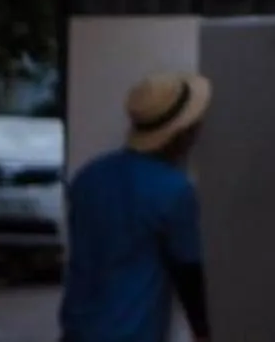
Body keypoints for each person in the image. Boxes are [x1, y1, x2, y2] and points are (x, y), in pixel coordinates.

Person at [60, 74, 212, 342]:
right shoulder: (174, 191)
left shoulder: (88, 177)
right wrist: (203, 332)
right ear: (181, 133)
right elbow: (188, 274)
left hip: (77, 331)